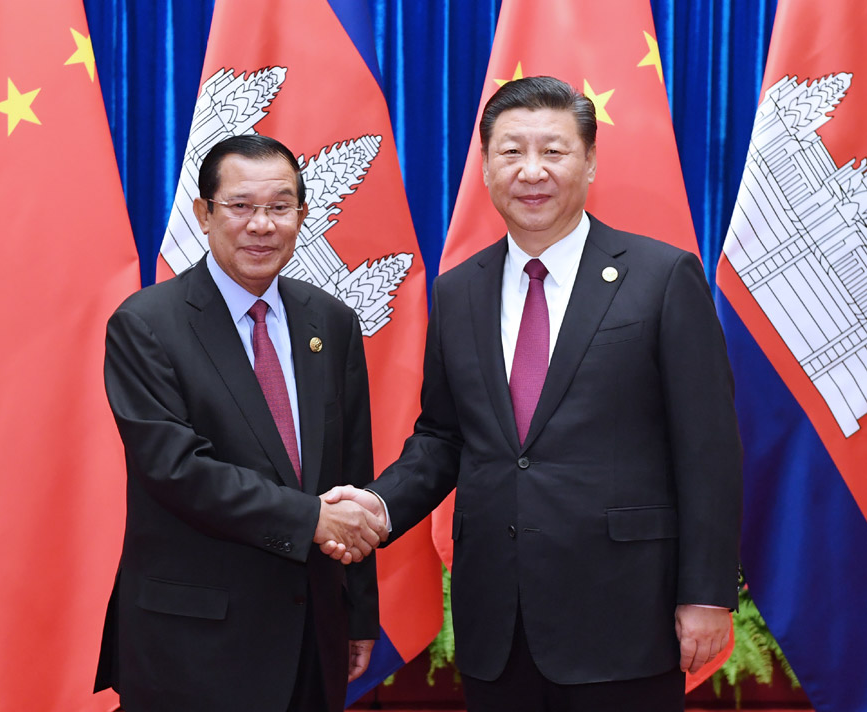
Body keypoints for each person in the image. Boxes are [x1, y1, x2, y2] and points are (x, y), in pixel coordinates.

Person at [324, 76, 742, 711]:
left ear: (591, 161)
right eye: (511, 151)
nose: (531, 171)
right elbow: (442, 437)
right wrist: (379, 508)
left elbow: (707, 447)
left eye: (554, 150)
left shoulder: (662, 277)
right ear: (486, 167)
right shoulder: (458, 290)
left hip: (626, 615)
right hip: (499, 618)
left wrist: (707, 593)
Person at [94, 134, 387, 712]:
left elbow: (353, 468)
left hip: (311, 635)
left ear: (302, 216)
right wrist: (311, 520)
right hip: (194, 641)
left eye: (280, 207)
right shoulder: (146, 324)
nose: (262, 225)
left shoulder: (330, 320)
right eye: (241, 206)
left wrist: (358, 610)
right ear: (204, 214)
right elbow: (176, 470)